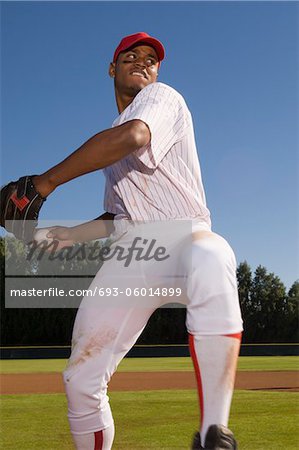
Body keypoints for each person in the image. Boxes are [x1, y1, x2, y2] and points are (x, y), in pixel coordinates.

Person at [31, 32, 243, 450]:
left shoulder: (162, 97)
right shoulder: (109, 142)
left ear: (159, 71)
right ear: (112, 69)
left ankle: (213, 434)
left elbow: (135, 137)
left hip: (183, 233)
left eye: (151, 58)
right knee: (81, 378)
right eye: (131, 56)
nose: (143, 63)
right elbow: (117, 216)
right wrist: (71, 235)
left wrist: (44, 184)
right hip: (134, 253)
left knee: (211, 255)